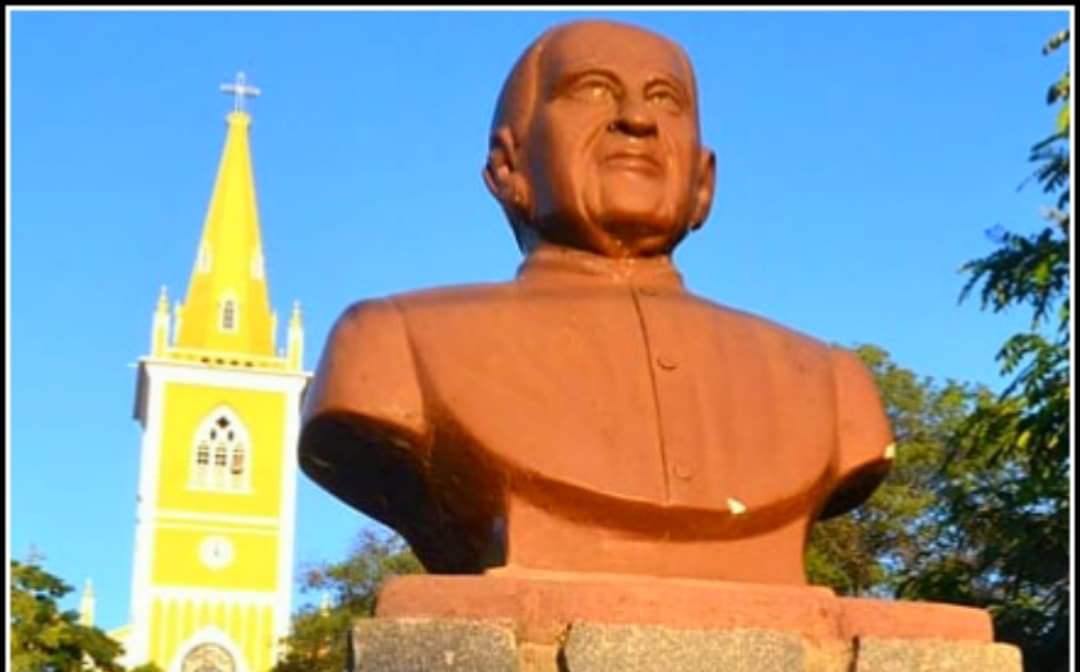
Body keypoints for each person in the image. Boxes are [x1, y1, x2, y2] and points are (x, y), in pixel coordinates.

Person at [299, 20, 893, 585]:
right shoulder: (392, 345)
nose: (636, 119)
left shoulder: (831, 386)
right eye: (592, 91)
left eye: (665, 99)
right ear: (508, 165)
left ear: (704, 182)